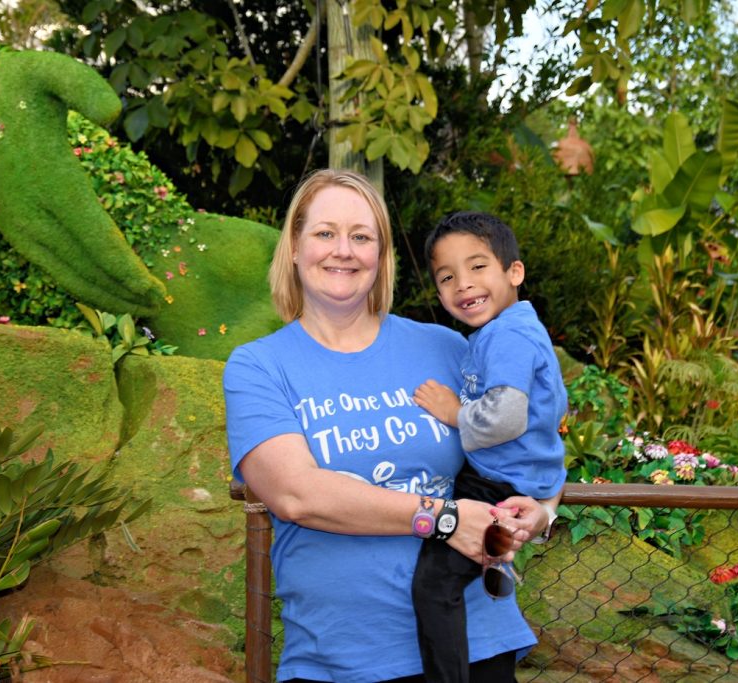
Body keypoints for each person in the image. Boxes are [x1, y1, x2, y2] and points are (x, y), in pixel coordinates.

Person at [223, 169, 560, 683]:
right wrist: (443, 518)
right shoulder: (259, 367)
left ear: (381, 257)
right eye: (325, 233)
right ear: (293, 246)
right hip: (343, 657)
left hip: (475, 644)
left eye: (362, 237)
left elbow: (531, 438)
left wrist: (540, 513)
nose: (344, 250)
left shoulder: (448, 348)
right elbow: (296, 495)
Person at [412, 211, 568, 683]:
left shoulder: (509, 334)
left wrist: (453, 412)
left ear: (513, 272)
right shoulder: (505, 331)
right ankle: (494, 560)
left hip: (495, 484)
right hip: (515, 479)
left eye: (477, 266)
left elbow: (506, 415)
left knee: (434, 585)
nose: (463, 284)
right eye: (447, 276)